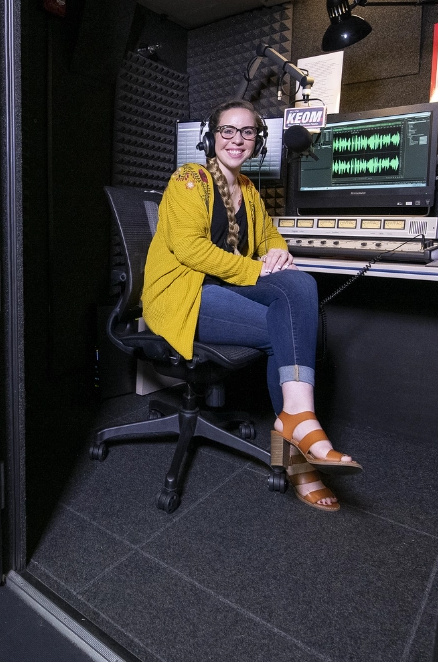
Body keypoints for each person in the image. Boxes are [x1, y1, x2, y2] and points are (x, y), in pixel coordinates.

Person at [141, 100, 361, 511]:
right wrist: (257, 271)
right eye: (228, 131)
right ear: (211, 138)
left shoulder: (248, 192)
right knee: (289, 325)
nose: (237, 140)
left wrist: (276, 255)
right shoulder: (189, 179)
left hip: (225, 293)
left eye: (247, 133)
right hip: (182, 297)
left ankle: (297, 417)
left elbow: (271, 239)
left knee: (300, 285)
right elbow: (190, 250)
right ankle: (300, 461)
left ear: (257, 142)